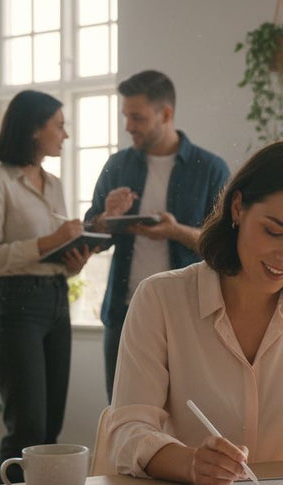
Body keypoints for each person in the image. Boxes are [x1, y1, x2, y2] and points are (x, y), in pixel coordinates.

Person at [92, 139, 283, 485]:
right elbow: (128, 429)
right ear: (237, 208)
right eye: (273, 232)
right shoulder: (161, 298)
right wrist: (190, 463)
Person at [83, 70, 229, 401]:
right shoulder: (116, 166)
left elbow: (227, 247)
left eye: (137, 117)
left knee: (188, 414)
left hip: (191, 315)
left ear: (166, 114)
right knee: (122, 413)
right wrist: (107, 217)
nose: (128, 126)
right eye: (126, 116)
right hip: (124, 313)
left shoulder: (210, 168)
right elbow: (89, 237)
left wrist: (176, 231)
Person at [0, 90, 92, 484]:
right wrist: (49, 242)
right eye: (59, 125)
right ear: (33, 129)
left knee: (49, 429)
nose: (66, 134)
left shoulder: (54, 184)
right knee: (26, 428)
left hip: (55, 301)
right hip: (15, 307)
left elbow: (51, 254)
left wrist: (73, 261)